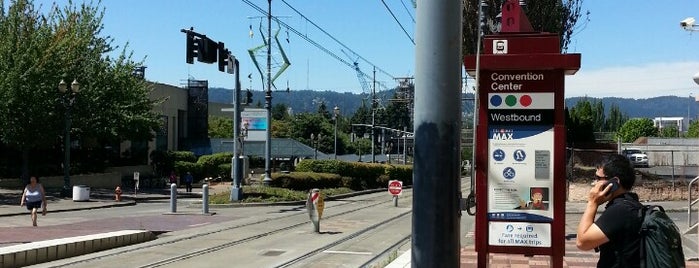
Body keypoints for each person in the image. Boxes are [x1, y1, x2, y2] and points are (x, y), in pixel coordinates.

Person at [576, 154, 642, 267]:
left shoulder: (620, 211)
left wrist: (592, 203)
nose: (594, 183)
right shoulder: (633, 205)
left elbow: (582, 242)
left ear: (614, 182)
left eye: (598, 178)